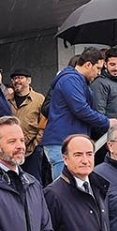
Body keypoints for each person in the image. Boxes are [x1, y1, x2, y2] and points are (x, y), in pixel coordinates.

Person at [41, 48, 113, 181]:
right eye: (98, 68)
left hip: (65, 140)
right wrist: (107, 122)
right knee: (64, 190)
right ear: (88, 65)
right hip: (61, 142)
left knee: (70, 189)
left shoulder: (74, 80)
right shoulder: (71, 80)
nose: (99, 73)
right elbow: (81, 110)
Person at [9, 68, 47, 180]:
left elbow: (44, 123)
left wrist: (35, 144)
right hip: (12, 150)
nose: (17, 81)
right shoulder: (7, 99)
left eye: (20, 78)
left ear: (29, 81)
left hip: (32, 150)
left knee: (33, 182)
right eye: (14, 78)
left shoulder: (39, 99)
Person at [88, 47, 117, 123]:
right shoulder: (99, 83)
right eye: (112, 64)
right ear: (105, 64)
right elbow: (98, 113)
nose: (116, 68)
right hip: (109, 131)